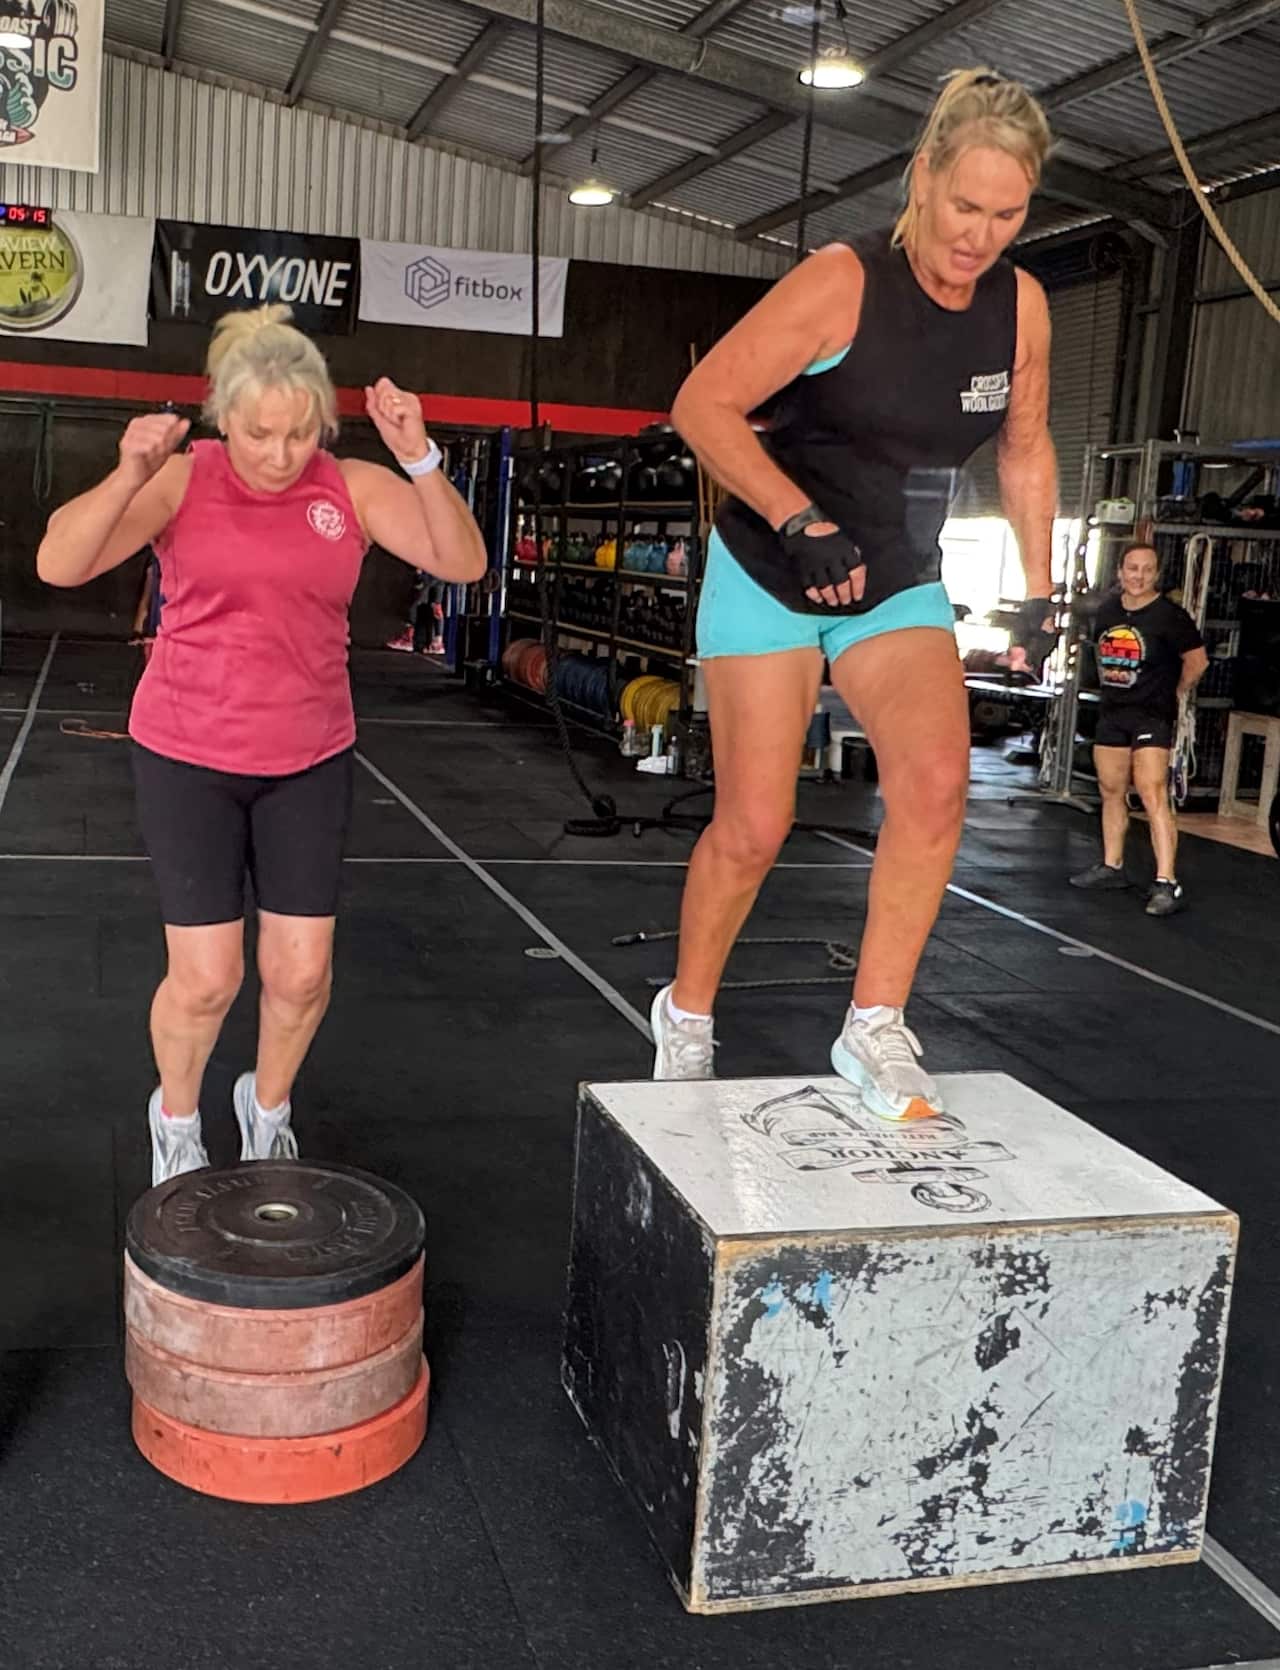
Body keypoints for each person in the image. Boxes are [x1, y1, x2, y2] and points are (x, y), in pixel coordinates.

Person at [652, 68, 1058, 1120]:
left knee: (931, 784)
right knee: (753, 821)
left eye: (1004, 214)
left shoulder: (1017, 309)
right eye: (962, 205)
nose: (977, 234)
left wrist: (1043, 588)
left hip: (893, 581)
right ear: (921, 178)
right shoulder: (840, 283)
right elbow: (701, 406)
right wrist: (797, 517)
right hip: (770, 570)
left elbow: (1022, 448)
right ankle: (686, 1015)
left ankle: (873, 1022)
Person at [36, 305, 487, 1183]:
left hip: (308, 757)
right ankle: (176, 1119)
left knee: (302, 974)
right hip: (187, 753)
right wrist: (130, 472)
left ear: (322, 421)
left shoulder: (347, 486)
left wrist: (421, 458)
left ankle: (266, 1107)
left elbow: (461, 562)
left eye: (297, 434)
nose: (278, 455)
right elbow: (61, 564)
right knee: (207, 979)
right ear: (223, 419)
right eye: (257, 434)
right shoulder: (184, 477)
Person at [1070, 543, 1207, 916]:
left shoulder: (1170, 616)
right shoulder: (1108, 610)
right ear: (1120, 571)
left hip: (1152, 716)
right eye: (1132, 568)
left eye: (1147, 569)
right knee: (1111, 789)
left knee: (1152, 792)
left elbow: (1198, 661)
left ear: (1156, 574)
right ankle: (1112, 866)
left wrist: (1174, 691)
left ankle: (1167, 882)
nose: (1139, 575)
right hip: (1113, 713)